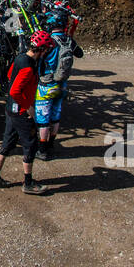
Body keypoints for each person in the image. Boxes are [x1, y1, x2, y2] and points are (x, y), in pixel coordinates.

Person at [0, 30, 51, 195]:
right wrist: (27, 107)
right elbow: (15, 91)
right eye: (46, 50)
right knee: (30, 145)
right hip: (21, 112)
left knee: (7, 143)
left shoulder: (20, 57)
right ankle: (28, 183)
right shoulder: (29, 68)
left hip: (11, 109)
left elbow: (10, 75)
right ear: (42, 49)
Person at [35, 9, 79, 160]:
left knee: (43, 119)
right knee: (55, 116)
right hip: (62, 84)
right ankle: (51, 145)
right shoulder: (68, 40)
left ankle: (42, 150)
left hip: (46, 84)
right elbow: (79, 53)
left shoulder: (49, 40)